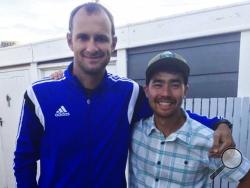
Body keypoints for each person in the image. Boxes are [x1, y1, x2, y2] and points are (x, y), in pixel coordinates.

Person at [14, 2, 234, 188]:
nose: (92, 47)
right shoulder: (40, 94)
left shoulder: (128, 93)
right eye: (83, 37)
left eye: (100, 38)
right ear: (71, 41)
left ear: (114, 43)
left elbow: (169, 109)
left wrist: (219, 123)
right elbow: (24, 160)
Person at [129, 51, 250, 188]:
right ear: (146, 90)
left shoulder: (210, 141)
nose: (166, 93)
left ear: (185, 90)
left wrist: (222, 124)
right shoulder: (134, 130)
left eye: (175, 85)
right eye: (158, 84)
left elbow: (247, 176)